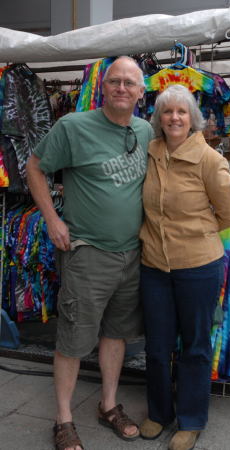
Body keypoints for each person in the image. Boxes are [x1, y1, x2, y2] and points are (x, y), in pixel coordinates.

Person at [26, 56, 153, 450]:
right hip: (88, 254)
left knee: (116, 336)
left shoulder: (146, 130)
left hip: (132, 255)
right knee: (73, 339)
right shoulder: (73, 127)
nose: (121, 88)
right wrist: (51, 219)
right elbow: (34, 167)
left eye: (129, 83)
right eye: (114, 81)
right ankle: (63, 419)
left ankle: (108, 405)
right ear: (102, 86)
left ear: (141, 92)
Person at [139, 84, 230, 450]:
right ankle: (158, 413)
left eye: (182, 111)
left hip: (198, 266)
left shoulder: (210, 160)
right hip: (153, 266)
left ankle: (192, 419)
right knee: (155, 346)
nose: (174, 118)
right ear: (159, 119)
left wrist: (194, 235)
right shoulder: (149, 153)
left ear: (192, 118)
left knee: (195, 347)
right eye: (167, 112)